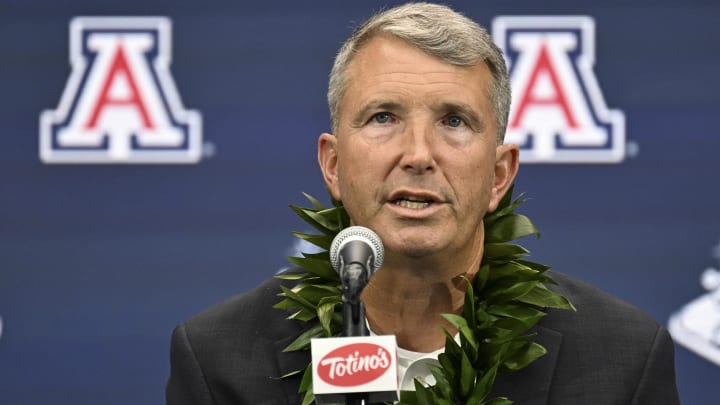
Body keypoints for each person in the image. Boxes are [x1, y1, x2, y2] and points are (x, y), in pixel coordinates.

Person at [166, 3, 680, 404]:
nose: (417, 154)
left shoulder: (621, 358)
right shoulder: (220, 360)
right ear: (333, 165)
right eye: (383, 117)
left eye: (454, 121)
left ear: (499, 175)